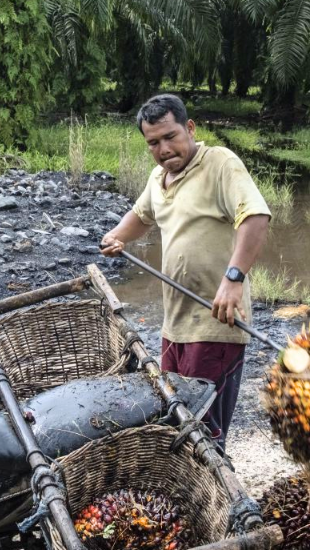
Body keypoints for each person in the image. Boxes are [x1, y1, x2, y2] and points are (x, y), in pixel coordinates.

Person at [100, 94, 271, 451]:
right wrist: (117, 236)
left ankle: (217, 485)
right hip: (175, 327)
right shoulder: (158, 178)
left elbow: (255, 217)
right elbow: (142, 215)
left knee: (204, 432)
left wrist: (233, 279)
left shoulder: (220, 164)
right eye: (153, 143)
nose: (163, 149)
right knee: (176, 416)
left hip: (216, 324)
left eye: (170, 136)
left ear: (190, 128)